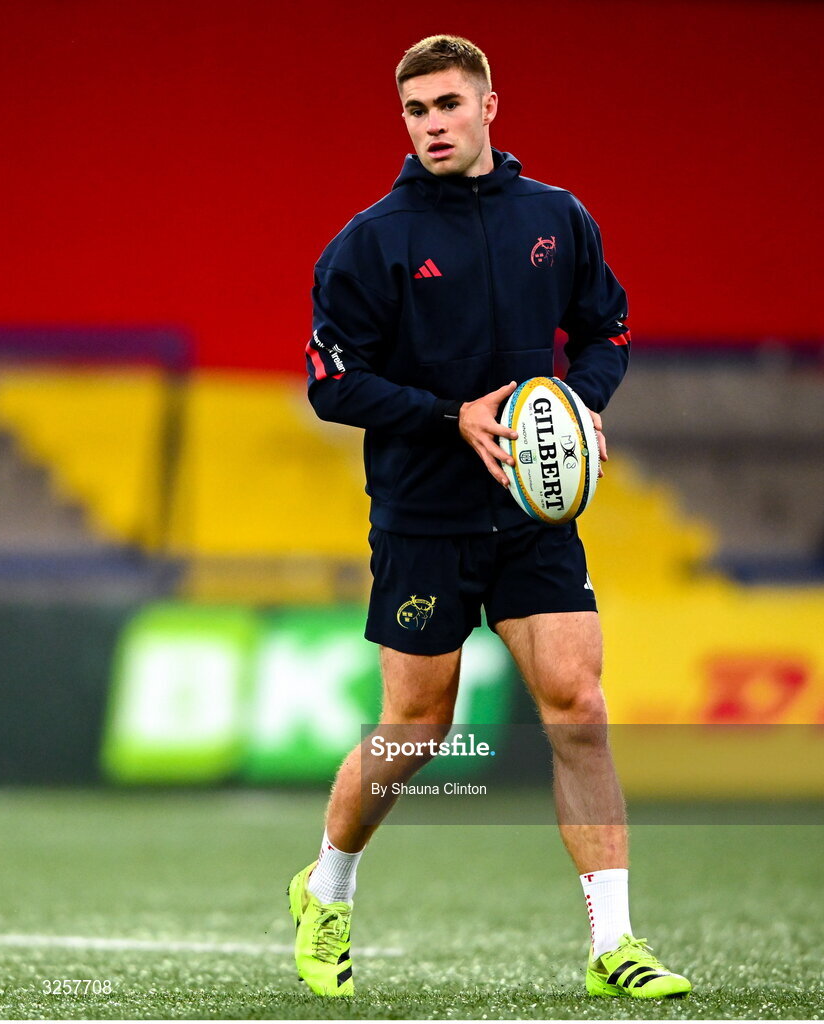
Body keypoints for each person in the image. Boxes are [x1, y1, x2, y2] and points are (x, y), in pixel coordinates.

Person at [290, 34, 691, 1001]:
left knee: (579, 707)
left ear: (489, 107)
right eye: (417, 111)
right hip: (426, 514)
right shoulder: (370, 241)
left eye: (448, 106)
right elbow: (331, 384)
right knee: (415, 727)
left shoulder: (557, 218)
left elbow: (608, 329)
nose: (433, 124)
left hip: (533, 505)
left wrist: (582, 397)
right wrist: (447, 413)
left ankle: (614, 945)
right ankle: (327, 886)